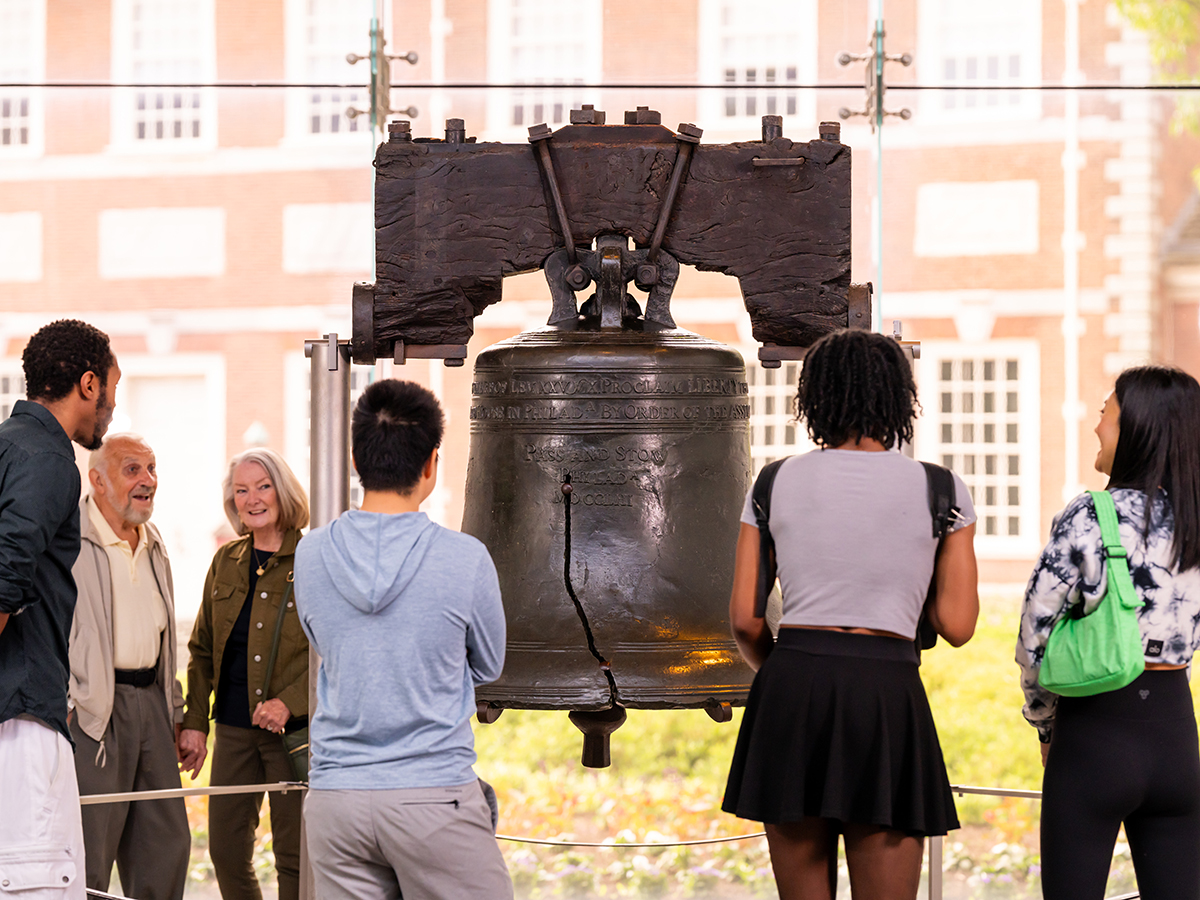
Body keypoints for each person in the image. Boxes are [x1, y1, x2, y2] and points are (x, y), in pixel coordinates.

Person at [721, 328, 979, 900]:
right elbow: (958, 626)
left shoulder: (774, 480)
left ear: (815, 398)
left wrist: (790, 668)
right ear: (897, 399)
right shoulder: (943, 490)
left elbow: (745, 618)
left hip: (791, 688)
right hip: (885, 690)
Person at [295, 378, 512, 900]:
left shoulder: (310, 554)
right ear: (431, 464)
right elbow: (488, 666)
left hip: (336, 800)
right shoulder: (464, 558)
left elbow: (324, 638)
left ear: (354, 459)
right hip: (433, 795)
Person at [1017, 366, 1200, 900]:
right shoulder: (1195, 520)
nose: (1098, 428)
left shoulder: (1090, 515)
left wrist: (1045, 726)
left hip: (1095, 738)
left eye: (1106, 415)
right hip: (1175, 738)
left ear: (1137, 429)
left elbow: (1034, 637)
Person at [0, 319, 119, 899]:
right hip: (19, 725)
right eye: (113, 393)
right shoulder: (49, 460)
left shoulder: (4, 445)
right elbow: (3, 579)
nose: (112, 410)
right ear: (89, 383)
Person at [178, 448, 309, 900]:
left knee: (295, 857)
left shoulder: (313, 560)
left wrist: (290, 701)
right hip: (233, 731)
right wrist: (195, 723)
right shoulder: (226, 561)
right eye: (241, 490)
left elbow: (335, 652)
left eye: (263, 486)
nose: (252, 499)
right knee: (227, 852)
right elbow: (201, 650)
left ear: (283, 490)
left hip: (292, 737)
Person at [68, 433, 190, 900]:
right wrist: (66, 703)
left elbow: (163, 638)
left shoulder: (153, 541)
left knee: (167, 846)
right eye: (133, 470)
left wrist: (175, 712)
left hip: (152, 707)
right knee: (89, 851)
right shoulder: (70, 539)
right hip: (95, 711)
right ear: (97, 481)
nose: (148, 481)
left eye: (152, 468)